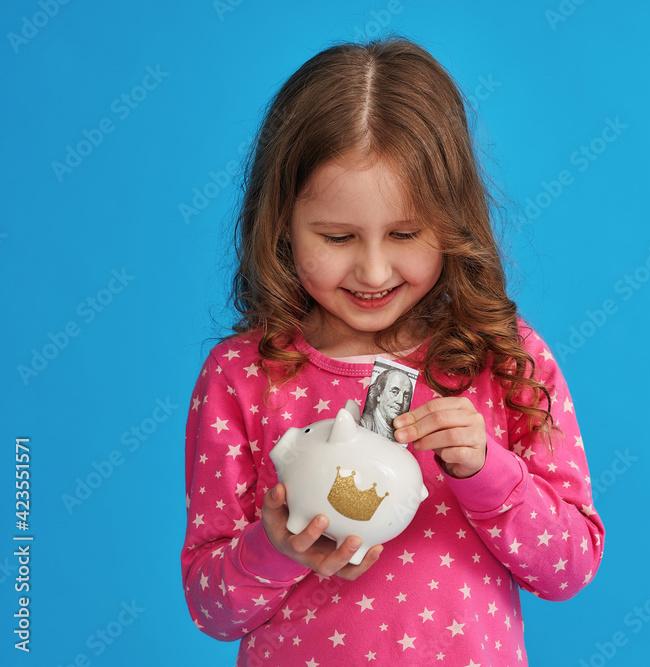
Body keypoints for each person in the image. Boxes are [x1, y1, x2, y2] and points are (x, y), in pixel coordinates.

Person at [181, 36, 605, 666]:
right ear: (280, 224)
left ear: (453, 223)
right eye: (337, 236)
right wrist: (273, 550)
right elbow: (210, 609)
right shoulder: (244, 377)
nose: (373, 269)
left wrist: (486, 473)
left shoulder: (505, 360)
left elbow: (569, 567)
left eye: (405, 233)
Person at [360, 368, 413, 439]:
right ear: (379, 394)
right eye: (394, 392)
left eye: (406, 397)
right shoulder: (363, 424)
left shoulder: (405, 433)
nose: (400, 401)